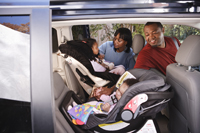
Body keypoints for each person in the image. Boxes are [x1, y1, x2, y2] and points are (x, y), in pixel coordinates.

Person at [67, 78, 139, 125]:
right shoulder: (116, 95)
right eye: (118, 89)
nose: (117, 93)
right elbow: (109, 99)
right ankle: (77, 107)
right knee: (92, 103)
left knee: (91, 110)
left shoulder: (122, 106)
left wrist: (108, 110)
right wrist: (100, 96)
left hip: (104, 114)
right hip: (101, 106)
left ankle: (76, 117)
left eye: (121, 94)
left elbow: (114, 115)